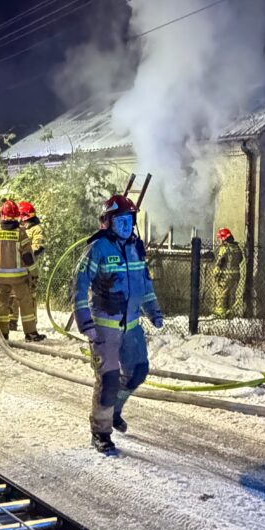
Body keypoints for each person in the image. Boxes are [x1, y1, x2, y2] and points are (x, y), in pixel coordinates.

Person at [74, 194, 164, 455]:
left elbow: (144, 285)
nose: (125, 226)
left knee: (138, 371)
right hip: (105, 328)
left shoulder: (136, 247)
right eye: (120, 221)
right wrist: (85, 323)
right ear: (108, 223)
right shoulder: (97, 248)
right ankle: (100, 433)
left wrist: (154, 311)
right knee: (109, 379)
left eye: (129, 221)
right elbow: (79, 287)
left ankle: (114, 410)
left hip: (132, 326)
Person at [0, 200, 46, 342]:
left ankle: (3, 335)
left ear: (2, 215)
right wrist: (34, 273)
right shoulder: (21, 234)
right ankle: (30, 334)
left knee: (1, 305)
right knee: (25, 302)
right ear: (17, 216)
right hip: (19, 278)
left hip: (0, 278)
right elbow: (28, 258)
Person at [9, 201, 45, 331]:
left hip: (29, 270)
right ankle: (11, 321)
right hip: (16, 268)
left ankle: (31, 323)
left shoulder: (36, 229)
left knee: (29, 297)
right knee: (12, 294)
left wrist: (26, 255)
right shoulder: (18, 229)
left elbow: (38, 247)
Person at [212, 228, 243, 319]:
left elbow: (220, 262)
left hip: (225, 276)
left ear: (224, 238)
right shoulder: (237, 247)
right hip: (236, 276)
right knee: (232, 295)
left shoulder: (224, 248)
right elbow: (240, 259)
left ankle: (220, 314)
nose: (219, 240)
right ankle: (231, 314)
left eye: (220, 238)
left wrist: (216, 274)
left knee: (222, 295)